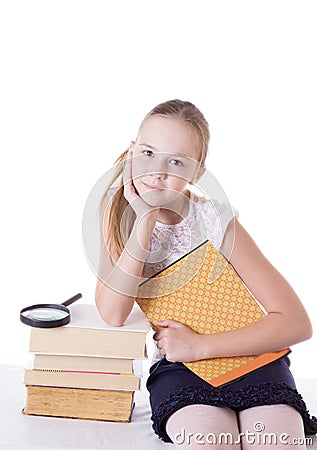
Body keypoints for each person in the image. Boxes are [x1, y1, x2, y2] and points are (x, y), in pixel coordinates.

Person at [95, 99, 317, 449]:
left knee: (277, 443)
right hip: (182, 370)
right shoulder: (118, 219)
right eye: (149, 153)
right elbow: (112, 312)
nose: (157, 171)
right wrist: (145, 220)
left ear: (197, 173)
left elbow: (295, 322)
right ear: (133, 151)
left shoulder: (215, 221)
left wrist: (201, 345)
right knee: (209, 441)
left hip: (252, 359)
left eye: (177, 161)